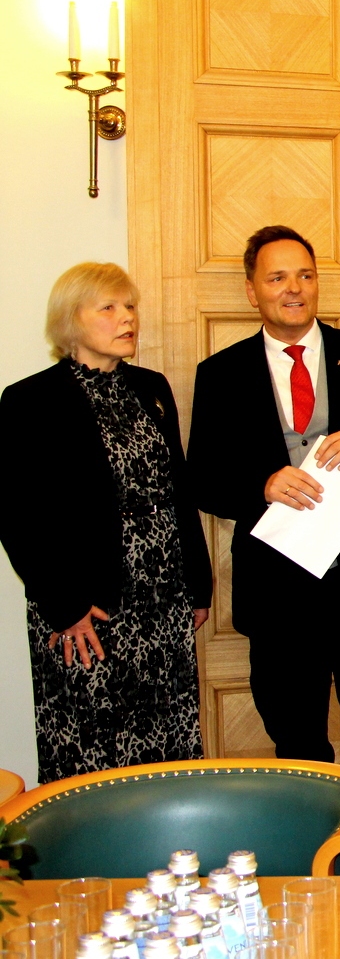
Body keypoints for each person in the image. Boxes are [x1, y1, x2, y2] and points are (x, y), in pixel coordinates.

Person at [187, 226, 340, 789]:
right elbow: (202, 481)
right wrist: (262, 484)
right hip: (278, 593)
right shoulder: (219, 374)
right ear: (252, 291)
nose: (294, 288)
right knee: (296, 738)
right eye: (277, 277)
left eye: (305, 275)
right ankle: (320, 837)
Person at [0, 263, 211, 783]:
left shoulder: (151, 388)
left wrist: (197, 584)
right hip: (86, 606)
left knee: (167, 741)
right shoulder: (29, 399)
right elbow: (16, 513)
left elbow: (178, 491)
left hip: (162, 598)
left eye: (130, 306)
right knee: (92, 751)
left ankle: (167, 835)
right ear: (71, 319)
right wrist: (63, 605)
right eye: (109, 308)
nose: (127, 318)